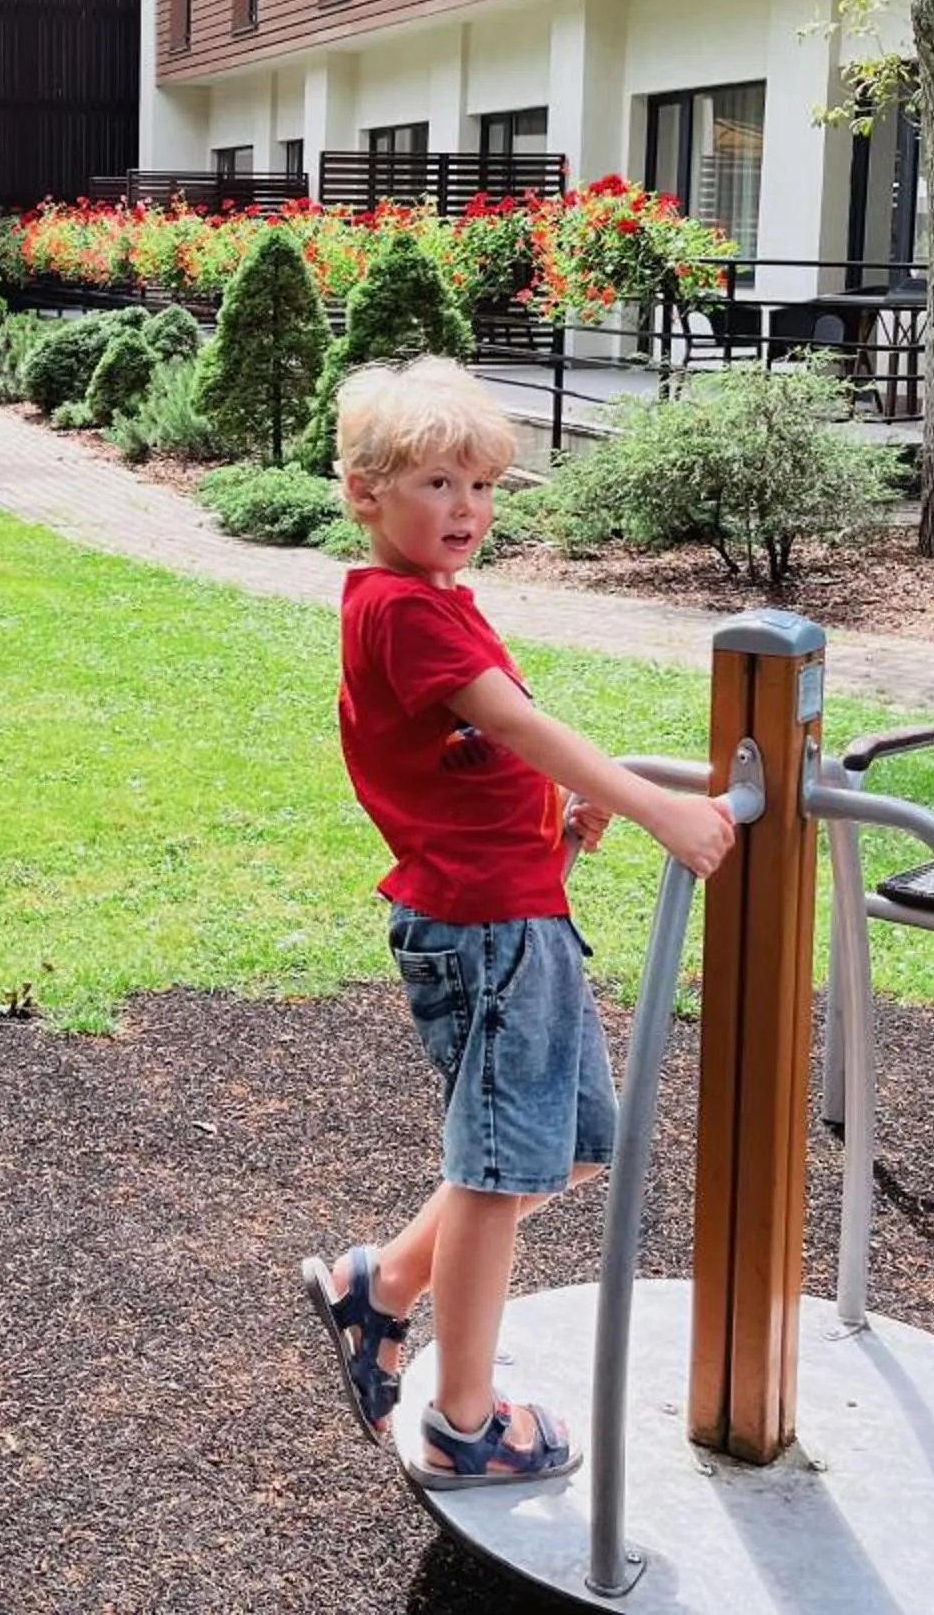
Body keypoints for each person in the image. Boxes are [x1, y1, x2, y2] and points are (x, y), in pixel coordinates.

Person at [301, 356, 736, 1489]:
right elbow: (515, 723)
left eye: (483, 486)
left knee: (563, 1157)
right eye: (438, 484)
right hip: (485, 932)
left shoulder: (439, 602)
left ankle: (381, 1284)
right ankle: (463, 1421)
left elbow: (482, 754)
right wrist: (655, 811)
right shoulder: (400, 611)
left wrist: (561, 818)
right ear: (366, 493)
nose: (467, 510)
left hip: (517, 912)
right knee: (501, 1174)